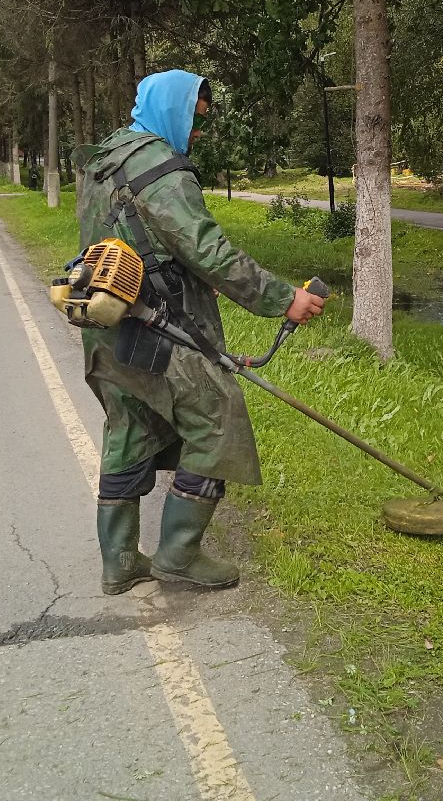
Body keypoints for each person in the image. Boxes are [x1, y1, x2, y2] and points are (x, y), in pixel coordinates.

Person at [74, 69, 326, 594]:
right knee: (218, 419)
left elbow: (126, 240)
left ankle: (118, 564)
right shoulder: (162, 168)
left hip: (106, 323)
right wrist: (286, 298)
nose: (196, 131)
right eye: (195, 117)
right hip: (160, 329)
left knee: (129, 429)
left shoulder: (105, 162)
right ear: (173, 108)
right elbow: (207, 250)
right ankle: (178, 555)